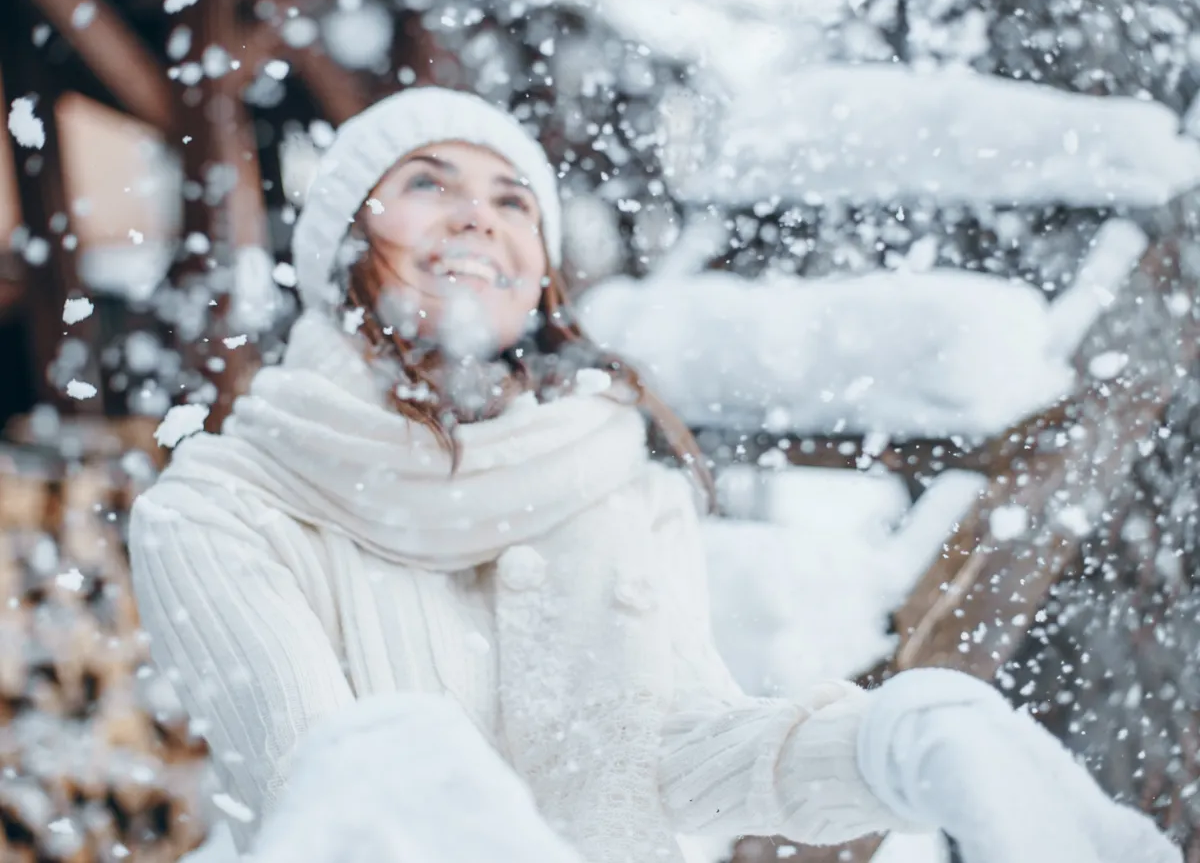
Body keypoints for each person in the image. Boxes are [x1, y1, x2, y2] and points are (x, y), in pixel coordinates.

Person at [129, 87, 1180, 863]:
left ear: (539, 273)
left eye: (513, 201)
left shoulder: (613, 483)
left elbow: (675, 751)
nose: (478, 219)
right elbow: (332, 805)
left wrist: (892, 746)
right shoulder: (223, 509)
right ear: (343, 241)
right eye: (425, 184)